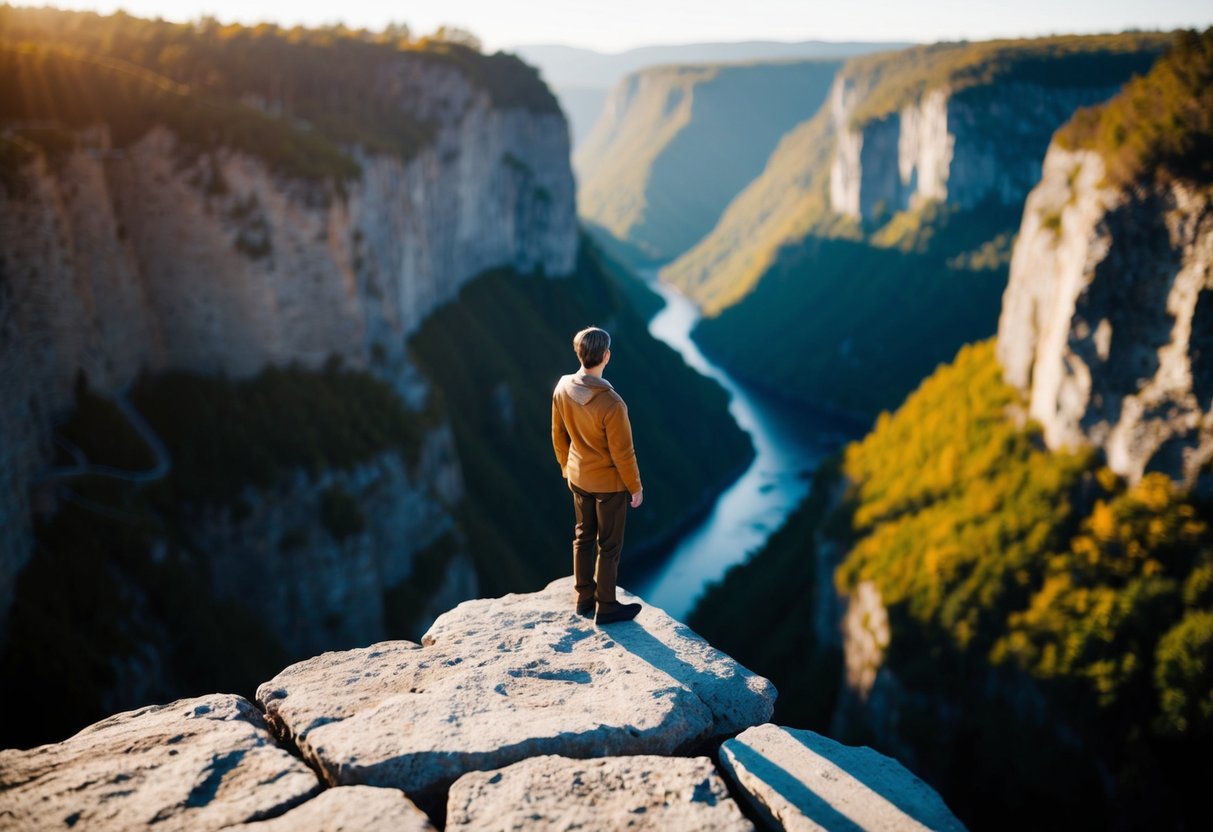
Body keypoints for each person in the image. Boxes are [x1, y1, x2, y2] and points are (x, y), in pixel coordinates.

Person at [551, 326, 644, 625]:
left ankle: (583, 597)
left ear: (579, 353)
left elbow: (558, 434)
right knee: (609, 546)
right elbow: (623, 454)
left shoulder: (562, 387)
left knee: (583, 536)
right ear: (606, 356)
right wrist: (635, 487)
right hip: (608, 485)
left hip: (578, 477)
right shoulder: (612, 403)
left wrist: (566, 467)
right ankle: (606, 606)